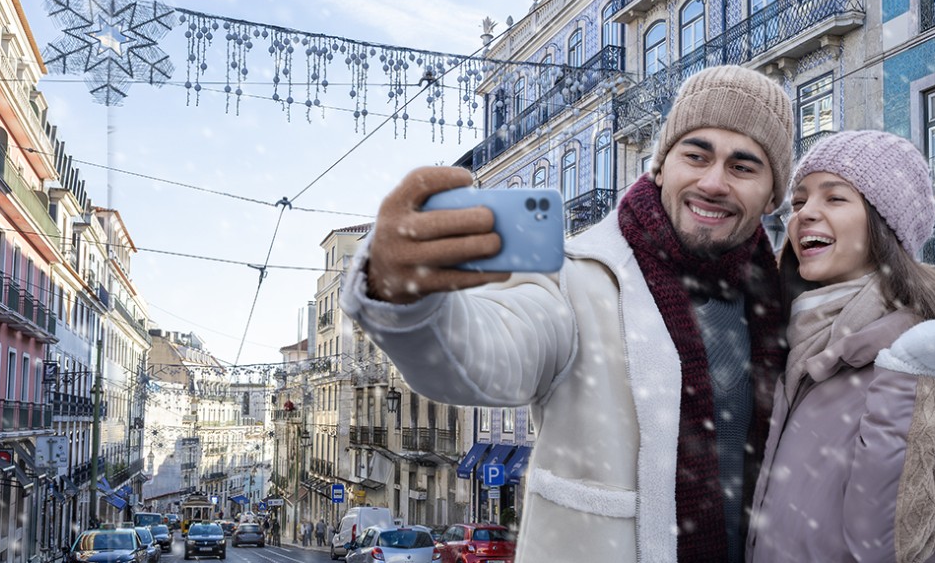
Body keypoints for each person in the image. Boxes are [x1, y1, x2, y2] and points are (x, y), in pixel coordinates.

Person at [341, 65, 795, 561]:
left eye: (743, 166)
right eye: (696, 155)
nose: (713, 182)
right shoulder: (577, 277)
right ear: (661, 165)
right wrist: (403, 296)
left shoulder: (780, 301)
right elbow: (486, 353)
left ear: (772, 194)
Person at [745, 131, 935, 561]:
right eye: (800, 201)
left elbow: (884, 548)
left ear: (884, 225)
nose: (804, 214)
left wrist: (908, 374)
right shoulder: (798, 343)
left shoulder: (926, 358)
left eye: (834, 198)